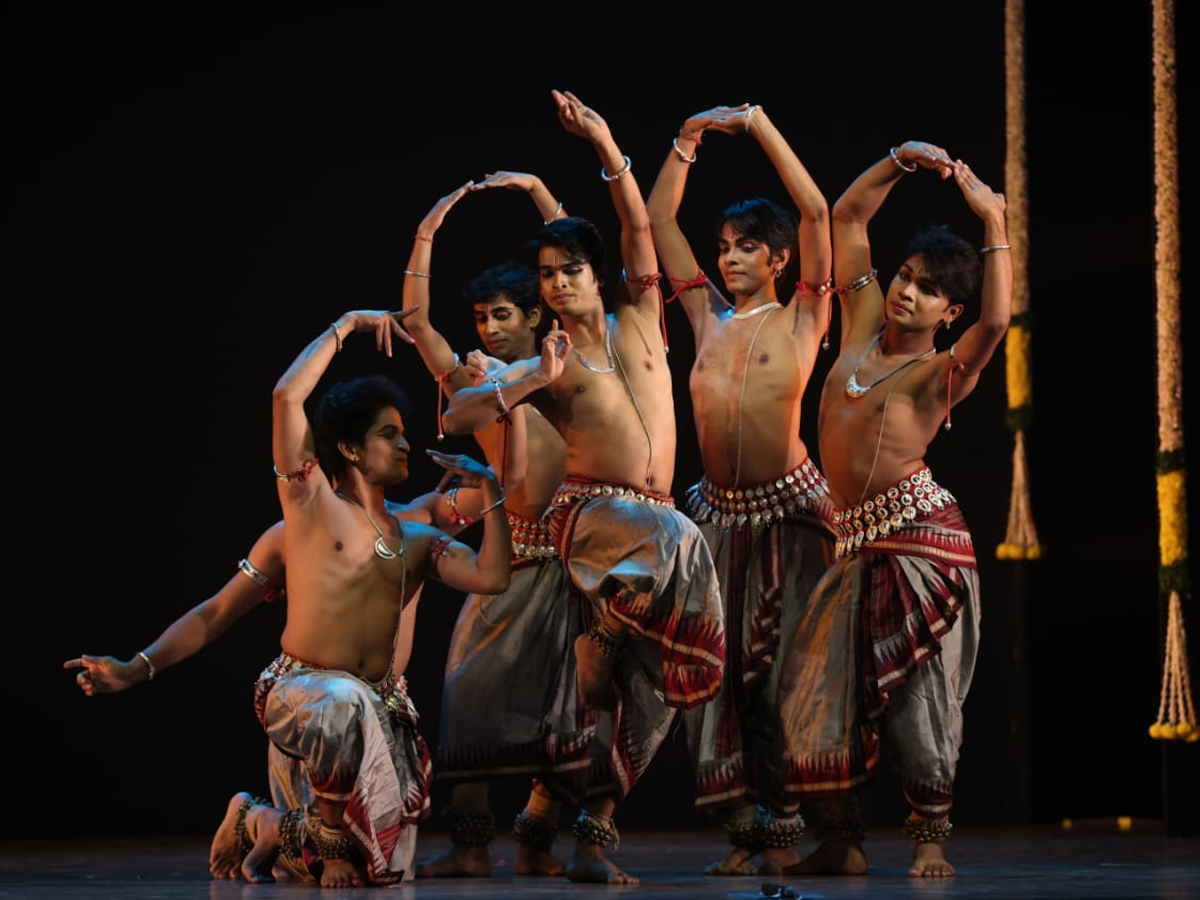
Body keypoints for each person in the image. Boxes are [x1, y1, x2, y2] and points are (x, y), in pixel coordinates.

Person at [64, 310, 515, 887]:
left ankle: (261, 824)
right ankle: (325, 842)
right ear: (350, 450)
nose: (406, 443)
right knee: (341, 705)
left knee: (386, 870)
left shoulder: (419, 535)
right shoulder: (309, 508)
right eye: (389, 434)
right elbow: (215, 612)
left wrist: (494, 490)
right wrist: (346, 327)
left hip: (377, 708)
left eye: (405, 432)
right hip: (304, 694)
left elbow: (492, 576)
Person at [439, 89, 726, 884]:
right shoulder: (551, 359)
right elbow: (461, 415)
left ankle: (587, 842)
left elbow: (638, 227)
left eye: (569, 271)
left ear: (598, 275)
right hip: (597, 520)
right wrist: (526, 375)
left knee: (640, 700)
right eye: (546, 275)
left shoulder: (641, 316)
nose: (557, 284)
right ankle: (600, 638)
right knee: (683, 540)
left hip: (656, 526)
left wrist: (604, 139)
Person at [776, 142, 1011, 878]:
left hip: (920, 545)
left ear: (950, 311)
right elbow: (848, 216)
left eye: (927, 289)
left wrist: (994, 217)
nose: (908, 292)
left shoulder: (940, 374)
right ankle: (842, 840)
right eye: (906, 276)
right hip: (853, 544)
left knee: (917, 695)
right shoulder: (861, 320)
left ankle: (929, 839)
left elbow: (999, 323)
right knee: (818, 691)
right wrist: (897, 160)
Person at [646, 102, 836, 876]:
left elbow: (818, 209)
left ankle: (791, 829)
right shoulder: (704, 315)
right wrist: (687, 142)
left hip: (790, 516)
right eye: (723, 248)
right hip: (716, 521)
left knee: (788, 676)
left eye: (746, 248)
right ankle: (744, 833)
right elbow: (659, 220)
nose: (727, 260)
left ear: (780, 260)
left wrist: (758, 128)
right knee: (714, 680)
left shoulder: (803, 320)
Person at [399, 176, 583, 878]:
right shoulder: (475, 386)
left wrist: (542, 194)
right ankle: (472, 845)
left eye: (503, 315)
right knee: (467, 694)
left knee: (563, 709)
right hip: (509, 555)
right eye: (480, 318)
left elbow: (578, 262)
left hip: (567, 551)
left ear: (536, 316)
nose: (489, 329)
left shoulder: (564, 371)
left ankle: (537, 843)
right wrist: (429, 228)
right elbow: (416, 321)